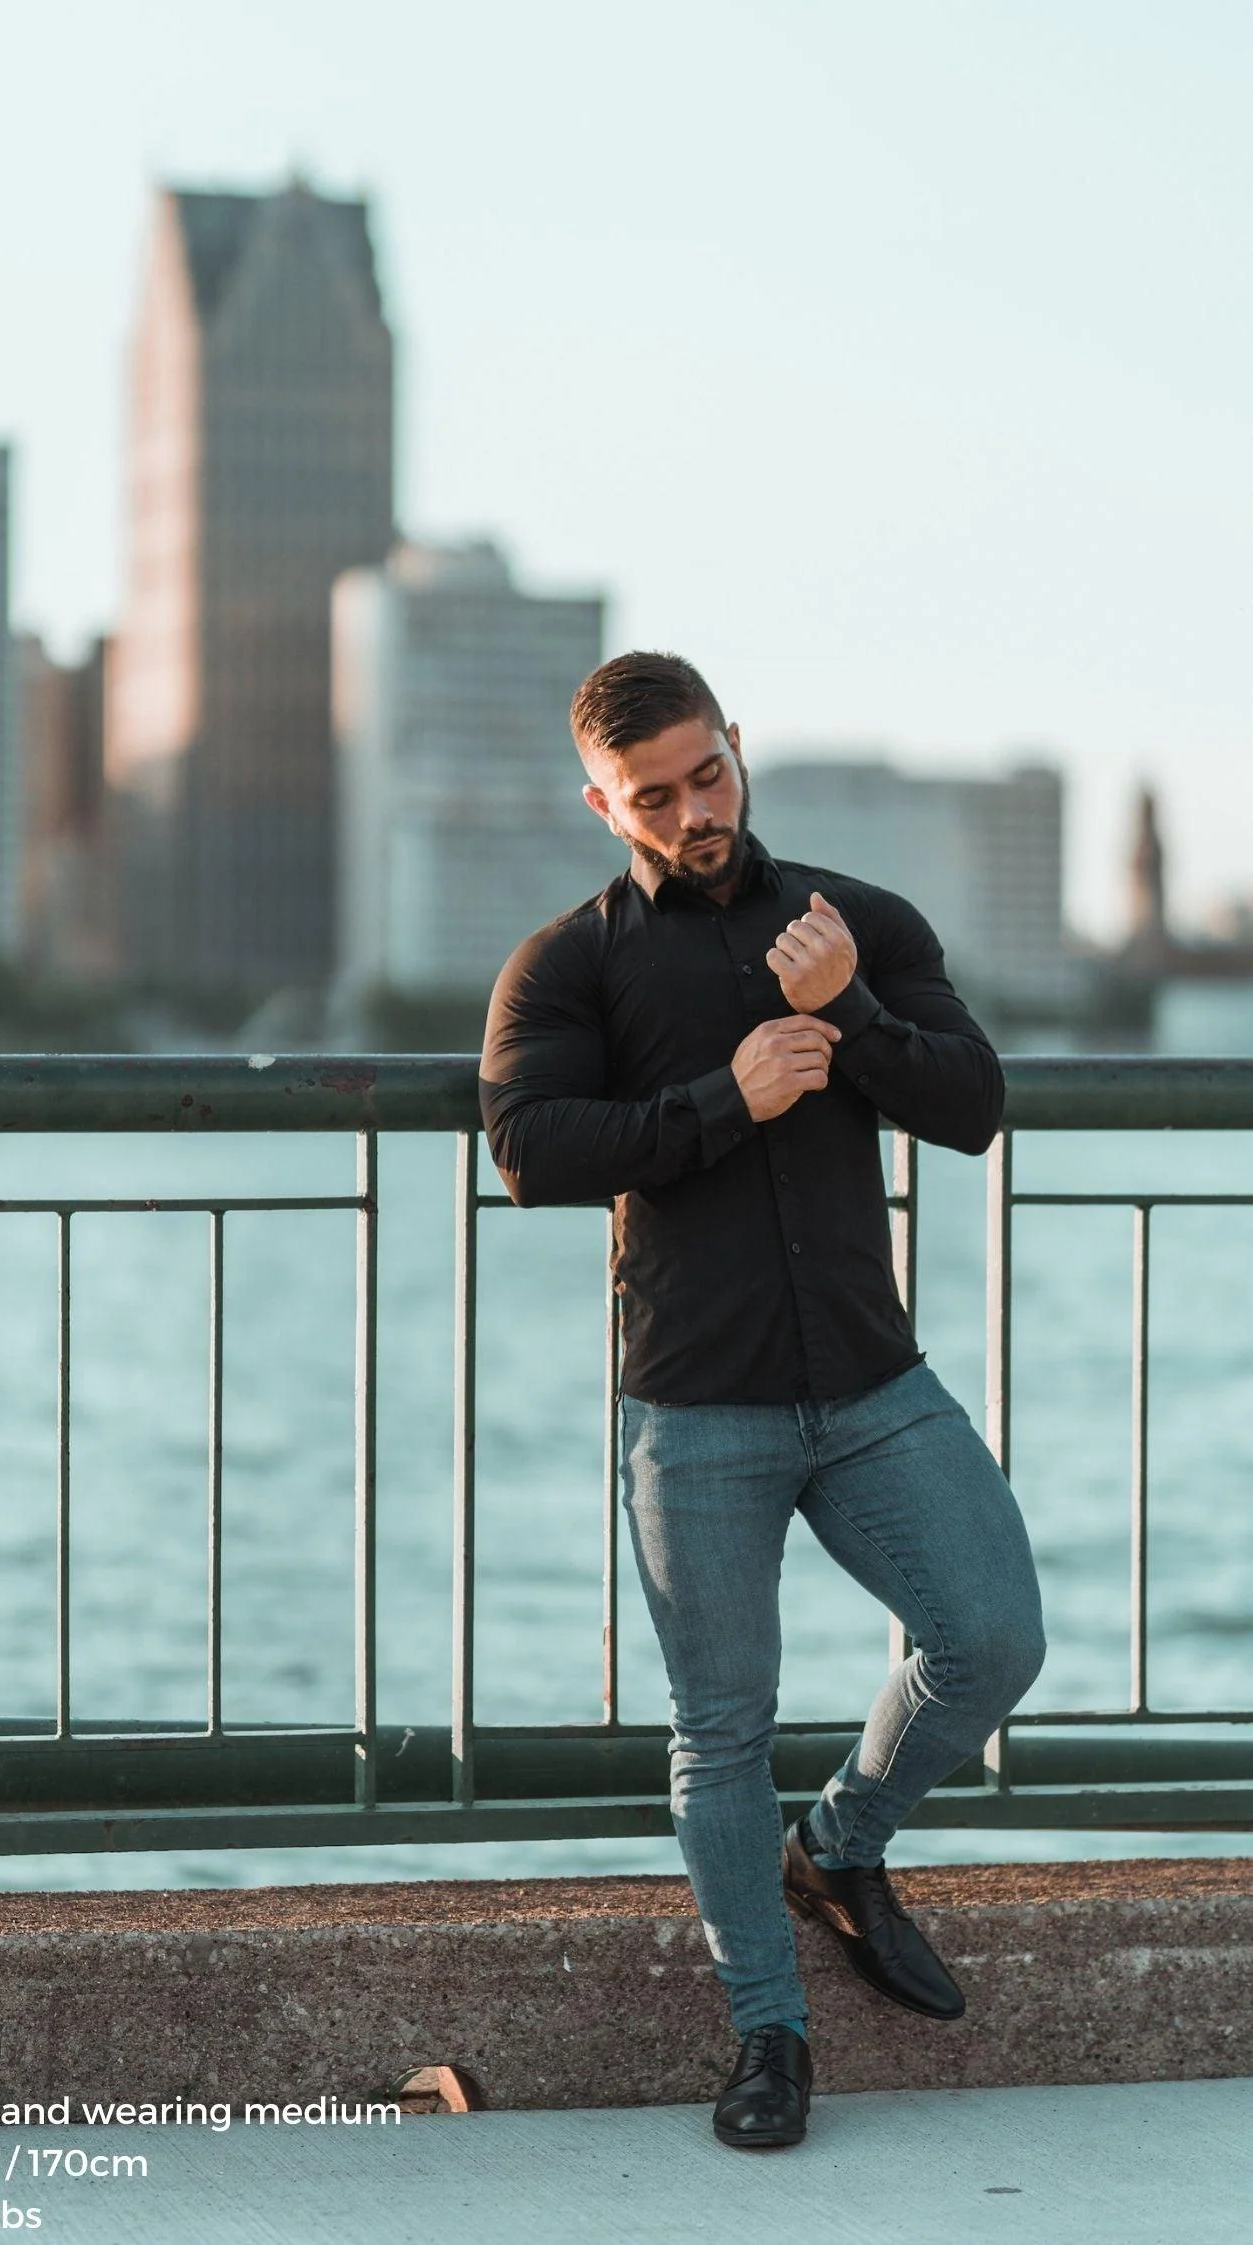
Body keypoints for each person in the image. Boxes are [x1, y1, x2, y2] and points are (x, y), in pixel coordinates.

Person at [479, 651, 1046, 2152]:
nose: (689, 813)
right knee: (717, 1734)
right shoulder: (569, 964)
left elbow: (973, 1104)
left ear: (736, 746)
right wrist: (730, 1096)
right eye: (650, 796)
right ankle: (768, 2038)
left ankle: (839, 1850)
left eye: (705, 775)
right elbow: (531, 1148)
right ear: (602, 802)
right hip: (695, 1409)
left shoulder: (852, 922)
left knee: (991, 1638)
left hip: (872, 1382)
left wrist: (845, 1010)